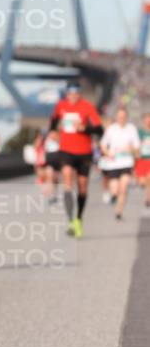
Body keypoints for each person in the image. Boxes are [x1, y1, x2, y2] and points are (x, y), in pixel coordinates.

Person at [48, 80, 103, 238]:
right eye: (71, 93)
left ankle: (79, 218)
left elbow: (99, 129)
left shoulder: (87, 106)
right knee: (67, 179)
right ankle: (70, 220)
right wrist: (52, 131)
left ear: (80, 93)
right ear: (67, 94)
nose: (73, 96)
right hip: (66, 150)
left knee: (83, 186)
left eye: (76, 93)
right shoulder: (61, 105)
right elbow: (53, 120)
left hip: (84, 152)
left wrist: (85, 128)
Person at [99, 107, 140, 220]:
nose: (122, 118)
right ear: (116, 117)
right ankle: (113, 195)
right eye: (119, 116)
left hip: (126, 162)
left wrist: (130, 149)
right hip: (113, 163)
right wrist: (107, 153)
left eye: (123, 116)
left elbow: (137, 147)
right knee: (115, 189)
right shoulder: (111, 129)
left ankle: (119, 211)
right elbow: (102, 144)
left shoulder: (131, 128)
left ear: (126, 117)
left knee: (124, 187)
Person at [135, 112, 150, 211]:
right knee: (142, 183)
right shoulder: (139, 133)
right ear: (143, 120)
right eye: (147, 119)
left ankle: (148, 199)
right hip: (141, 160)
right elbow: (135, 146)